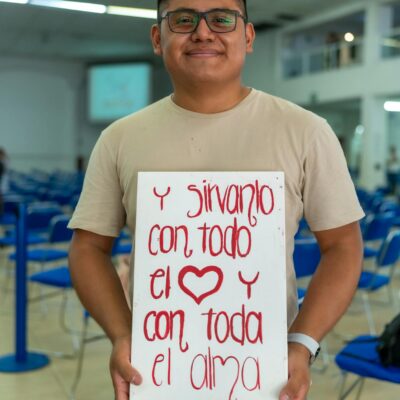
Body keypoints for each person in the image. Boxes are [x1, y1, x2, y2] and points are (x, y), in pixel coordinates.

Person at [68, 1, 364, 399]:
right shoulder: (120, 138)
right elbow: (88, 247)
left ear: (248, 36)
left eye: (222, 18)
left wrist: (302, 343)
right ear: (158, 38)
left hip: (266, 375)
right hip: (156, 371)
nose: (203, 32)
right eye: (183, 19)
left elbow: (343, 246)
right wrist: (122, 334)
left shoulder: (306, 131)